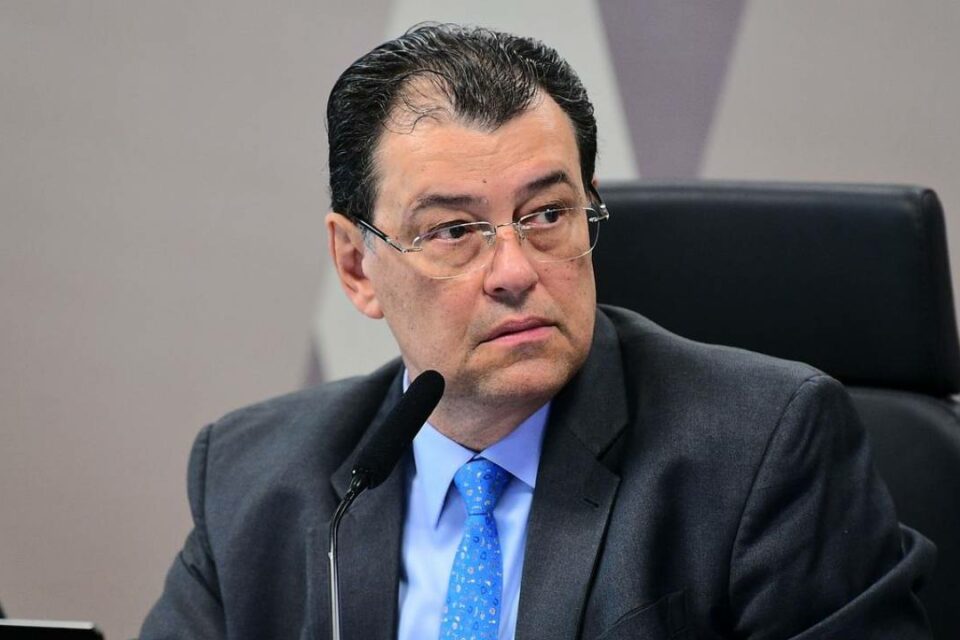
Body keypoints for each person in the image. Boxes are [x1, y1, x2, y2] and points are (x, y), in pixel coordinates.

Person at [141, 23, 935, 640]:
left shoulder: (762, 450)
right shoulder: (254, 478)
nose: (514, 270)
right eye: (454, 230)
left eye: (547, 214)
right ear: (356, 265)